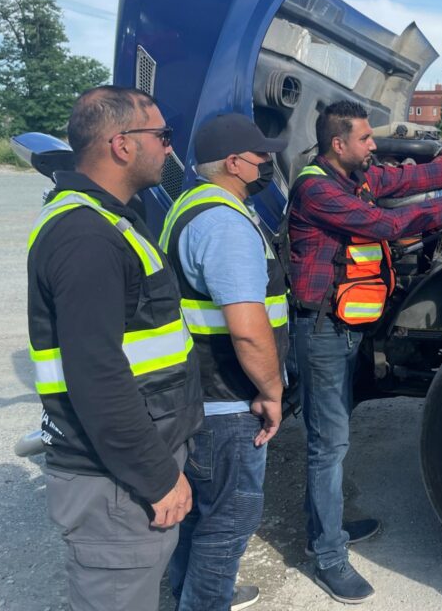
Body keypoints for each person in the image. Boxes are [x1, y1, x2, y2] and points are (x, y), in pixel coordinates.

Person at [287, 98, 442, 603]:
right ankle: (327, 555)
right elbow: (384, 224)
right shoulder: (316, 188)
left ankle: (325, 528)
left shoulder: (355, 176)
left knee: (333, 435)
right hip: (322, 331)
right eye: (366, 139)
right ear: (337, 144)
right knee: (329, 443)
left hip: (346, 326)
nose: (374, 146)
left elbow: (410, 180)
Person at [26, 86, 202, 611]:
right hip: (116, 482)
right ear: (122, 144)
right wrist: (157, 476)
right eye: (162, 136)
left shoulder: (107, 220)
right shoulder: (86, 235)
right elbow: (97, 374)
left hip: (125, 472)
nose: (169, 149)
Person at [162, 113, 289, 610]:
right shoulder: (225, 223)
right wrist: (272, 390)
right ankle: (203, 601)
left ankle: (189, 594)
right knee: (228, 519)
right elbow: (246, 325)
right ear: (235, 164)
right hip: (228, 401)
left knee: (198, 515)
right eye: (262, 158)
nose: (267, 165)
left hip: (200, 395)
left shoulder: (189, 205)